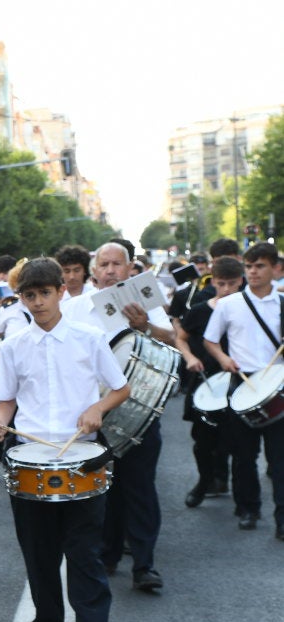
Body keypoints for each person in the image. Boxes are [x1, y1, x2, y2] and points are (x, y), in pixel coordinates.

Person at [0, 257, 130, 622]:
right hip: (31, 456)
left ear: (61, 291)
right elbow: (6, 399)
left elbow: (120, 388)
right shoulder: (13, 346)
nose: (38, 302)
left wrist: (97, 409)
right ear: (22, 298)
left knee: (84, 553)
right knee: (39, 553)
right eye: (29, 296)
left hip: (81, 456)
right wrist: (0, 424)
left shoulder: (88, 338)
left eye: (44, 293)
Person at [65, 239, 175, 592]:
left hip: (138, 407)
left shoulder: (142, 298)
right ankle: (108, 555)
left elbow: (171, 339)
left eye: (117, 265)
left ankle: (144, 565)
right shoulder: (74, 306)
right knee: (102, 489)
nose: (111, 271)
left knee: (139, 487)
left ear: (130, 270)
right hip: (92, 412)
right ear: (93, 271)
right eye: (104, 265)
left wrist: (146, 327)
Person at [203, 242, 284, 539]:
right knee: (243, 455)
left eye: (260, 266)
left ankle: (282, 518)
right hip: (243, 383)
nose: (252, 272)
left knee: (280, 458)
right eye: (249, 266)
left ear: (275, 269)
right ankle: (248, 509)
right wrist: (224, 359)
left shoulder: (283, 303)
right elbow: (211, 341)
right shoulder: (228, 304)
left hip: (277, 384)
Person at [173, 252, 241, 506]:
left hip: (236, 381)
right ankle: (204, 482)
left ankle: (227, 484)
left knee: (232, 440)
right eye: (220, 283)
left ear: (240, 282)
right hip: (204, 381)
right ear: (213, 281)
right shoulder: (200, 311)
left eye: (231, 283)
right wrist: (189, 357)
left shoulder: (246, 309)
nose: (225, 289)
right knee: (202, 441)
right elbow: (180, 337)